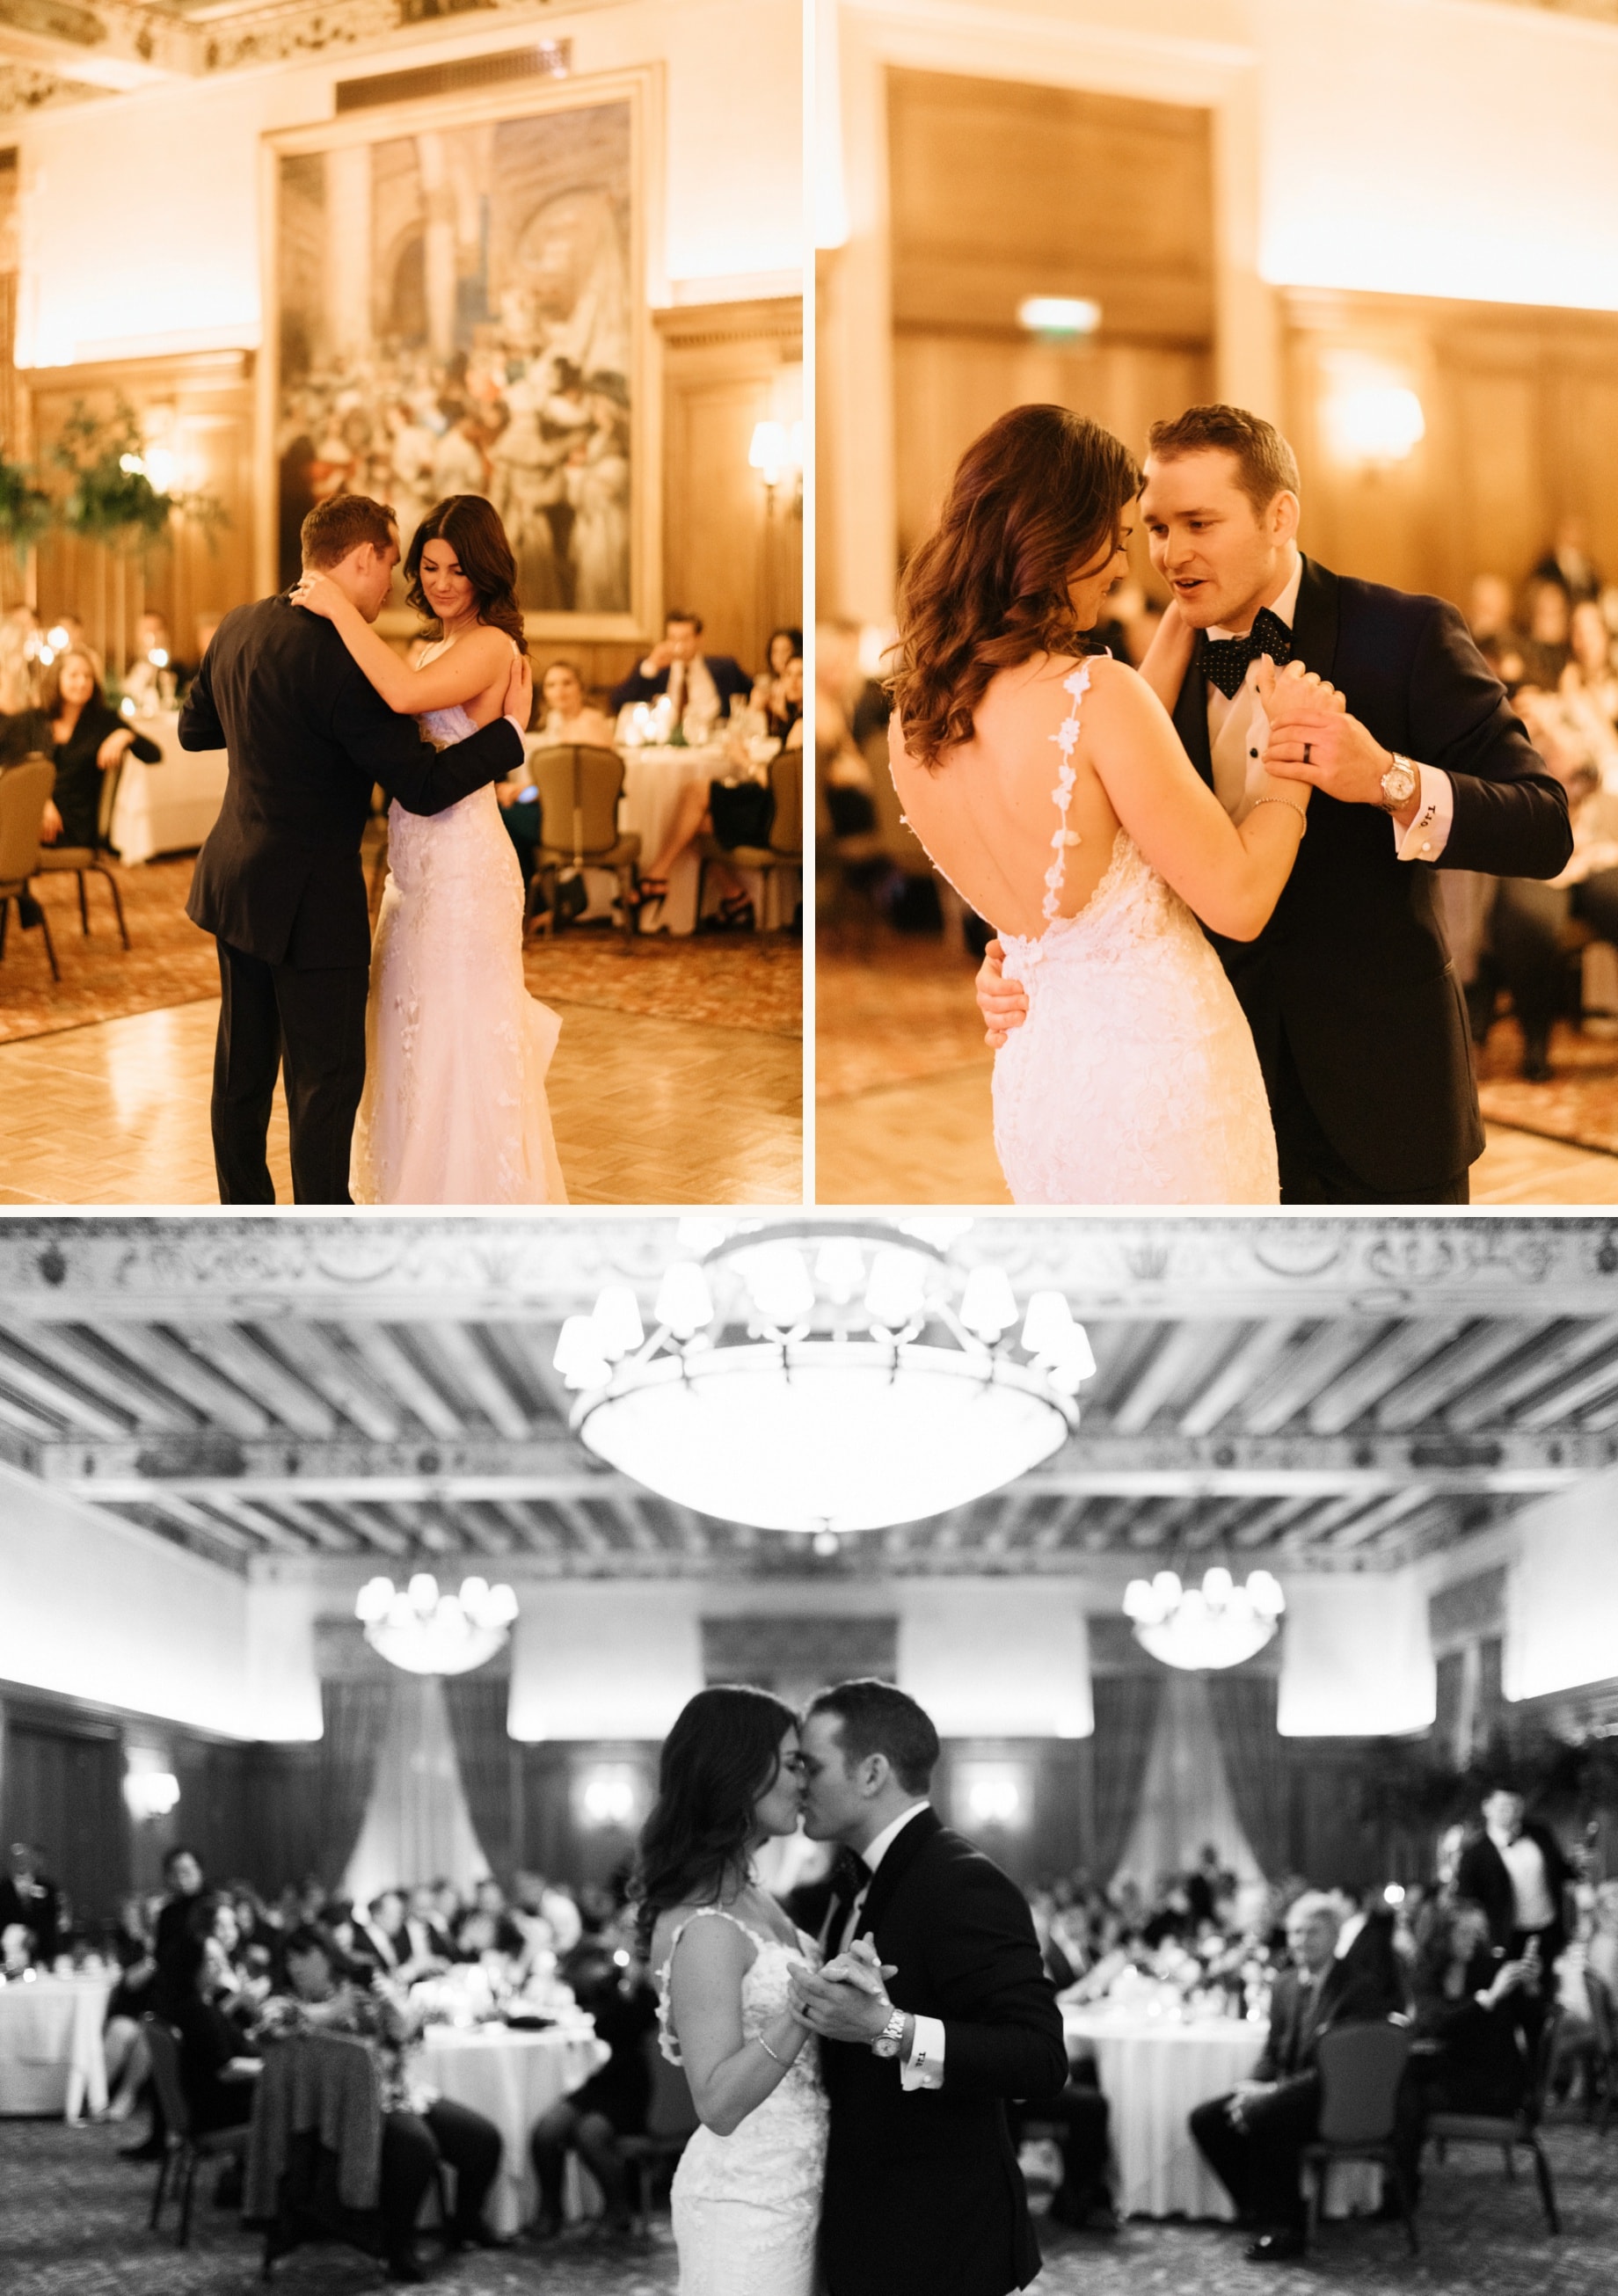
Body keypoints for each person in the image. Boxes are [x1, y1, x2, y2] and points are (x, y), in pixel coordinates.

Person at [975, 402, 1573, 1203]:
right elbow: (1085, 853)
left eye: (1198, 522)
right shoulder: (1127, 685)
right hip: (1201, 1098)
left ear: (1279, 515)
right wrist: (1021, 961)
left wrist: (1387, 779)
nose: (1170, 554)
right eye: (1154, 527)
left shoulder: (1405, 635)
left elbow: (1545, 827)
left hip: (1386, 1093)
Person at [890, 402, 1330, 1204]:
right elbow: (1238, 898)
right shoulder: (1100, 698)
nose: (1129, 566)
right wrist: (1290, 757)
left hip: (1042, 1081)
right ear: (1064, 534)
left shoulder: (914, 720)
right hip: (1159, 1087)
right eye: (1122, 537)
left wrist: (1188, 610)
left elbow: (1099, 790)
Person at [181, 492, 531, 1204]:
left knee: (239, 1075)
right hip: (312, 905)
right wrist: (510, 739)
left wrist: (266, 731)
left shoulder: (242, 623)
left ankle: (244, 1224)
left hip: (237, 884)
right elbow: (425, 785)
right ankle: (319, 1244)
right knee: (324, 1085)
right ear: (366, 557)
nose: (406, 582)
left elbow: (194, 730)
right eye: (404, 564)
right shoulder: (347, 659)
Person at [283, 492, 565, 1205]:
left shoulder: (492, 646)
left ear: (486, 574)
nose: (441, 582)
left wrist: (338, 607)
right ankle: (409, 1195)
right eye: (430, 566)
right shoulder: (434, 643)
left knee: (456, 1038)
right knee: (406, 1033)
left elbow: (406, 698)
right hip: (413, 870)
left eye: (457, 569)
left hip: (467, 872)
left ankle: (467, 1204)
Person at [792, 1678, 1068, 2296]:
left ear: (871, 1773)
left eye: (811, 1764)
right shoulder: (852, 1882)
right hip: (873, 2218)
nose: (798, 1783)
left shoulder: (959, 1881)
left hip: (941, 2235)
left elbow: (1040, 2059)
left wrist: (887, 2029)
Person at [638, 1684, 834, 2294]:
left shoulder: (753, 1895)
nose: (805, 1779)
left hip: (800, 2182)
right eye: (794, 1761)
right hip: (744, 2203)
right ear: (740, 1769)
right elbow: (717, 2103)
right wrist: (807, 2003)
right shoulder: (706, 1924)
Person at [266, 1924, 504, 2283]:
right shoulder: (286, 2004)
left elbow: (405, 2034)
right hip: (344, 2111)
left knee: (483, 2140)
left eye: (305, 1955)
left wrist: (391, 2003)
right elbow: (273, 2029)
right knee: (417, 2148)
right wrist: (334, 2010)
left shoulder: (359, 1992)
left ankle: (467, 2221)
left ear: (329, 1957)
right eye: (289, 1957)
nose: (296, 1965)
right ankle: (398, 2246)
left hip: (400, 2093)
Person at [1188, 1889, 1403, 2263]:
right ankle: (1261, 2211)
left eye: (1311, 1932)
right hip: (1288, 2091)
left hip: (1333, 2097)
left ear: (1334, 1936)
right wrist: (1253, 2086)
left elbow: (1339, 2069)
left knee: (1266, 2115)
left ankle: (1287, 2230)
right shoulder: (1284, 1984)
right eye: (1294, 1932)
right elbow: (1273, 2051)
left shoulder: (1356, 1987)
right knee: (1207, 2119)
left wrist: (1269, 2094)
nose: (1300, 1940)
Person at [528, 1930, 660, 2240]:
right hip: (604, 2080)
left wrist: (628, 1987)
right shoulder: (610, 1983)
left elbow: (617, 2028)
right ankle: (550, 2211)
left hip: (631, 2086)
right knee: (546, 2131)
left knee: (589, 2134)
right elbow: (598, 2018)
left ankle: (619, 2211)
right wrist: (614, 1985)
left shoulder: (647, 1992)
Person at [1454, 1784, 1571, 2048]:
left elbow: (1561, 1872)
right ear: (1487, 1808)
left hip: (1546, 1931)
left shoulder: (1539, 1834)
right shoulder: (1476, 1853)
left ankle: (1541, 2068)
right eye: (1504, 1806)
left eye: (1516, 1806)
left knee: (1543, 2004)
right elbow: (1464, 1901)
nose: (1511, 1813)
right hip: (1504, 1939)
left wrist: (1576, 1867)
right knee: (1508, 2007)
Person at [34, 648, 161, 852]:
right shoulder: (37, 719)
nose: (82, 682)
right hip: (36, 810)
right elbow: (20, 768)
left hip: (74, 824)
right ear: (57, 679)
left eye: (88, 676)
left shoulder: (103, 721)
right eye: (74, 675)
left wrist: (126, 735)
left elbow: (155, 755)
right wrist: (41, 803)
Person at [609, 609, 752, 731]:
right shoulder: (657, 671)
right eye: (673, 638)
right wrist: (650, 665)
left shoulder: (724, 669)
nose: (679, 645)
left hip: (713, 740)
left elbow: (752, 692)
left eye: (685, 639)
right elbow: (617, 701)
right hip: (665, 743)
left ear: (698, 639)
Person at [0, 1841, 60, 1964]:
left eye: (24, 1858)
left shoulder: (47, 1888)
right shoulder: (2, 1889)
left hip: (42, 1955)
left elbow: (51, 1918)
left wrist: (35, 1936)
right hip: (7, 1955)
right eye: (17, 1859)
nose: (21, 1862)